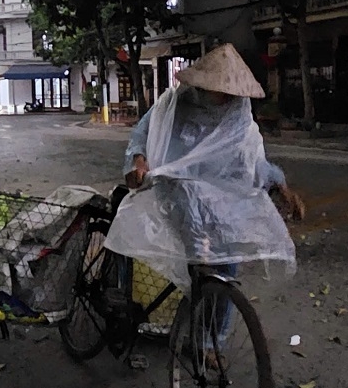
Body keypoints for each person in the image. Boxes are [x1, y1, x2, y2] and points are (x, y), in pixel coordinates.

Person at [105, 44, 303, 368]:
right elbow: (142, 134)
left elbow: (252, 160)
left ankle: (209, 340)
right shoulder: (174, 102)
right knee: (202, 256)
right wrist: (138, 162)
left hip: (217, 194)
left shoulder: (238, 112)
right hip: (175, 187)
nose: (224, 97)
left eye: (229, 92)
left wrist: (280, 185)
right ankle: (193, 312)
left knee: (228, 264)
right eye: (218, 90)